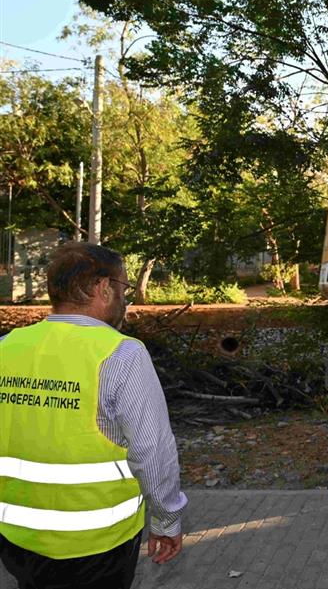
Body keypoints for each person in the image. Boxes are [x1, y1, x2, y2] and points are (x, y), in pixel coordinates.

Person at [0, 242, 187, 589]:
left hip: (17, 540)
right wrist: (166, 519)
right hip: (97, 545)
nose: (126, 299)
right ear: (102, 289)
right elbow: (153, 450)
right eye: (124, 288)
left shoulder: (7, 347)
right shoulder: (122, 355)